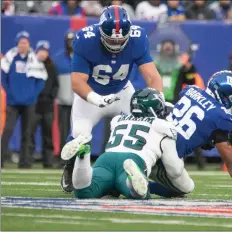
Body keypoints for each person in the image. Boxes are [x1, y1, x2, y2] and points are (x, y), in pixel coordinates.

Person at [60, 5, 164, 193]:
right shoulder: (85, 39)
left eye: (120, 40)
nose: (116, 45)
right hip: (90, 94)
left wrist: (159, 100)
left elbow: (152, 77)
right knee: (80, 135)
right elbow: (77, 82)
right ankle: (70, 165)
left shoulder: (138, 37)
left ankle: (151, 169)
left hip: (122, 92)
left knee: (149, 128)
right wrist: (94, 98)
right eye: (110, 40)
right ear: (100, 32)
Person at [149, 70, 232, 201]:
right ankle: (142, 187)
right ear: (223, 95)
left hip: (153, 137)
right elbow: (231, 161)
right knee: (184, 188)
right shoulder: (221, 117)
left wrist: (205, 138)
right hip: (166, 156)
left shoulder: (191, 90)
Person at [61, 88, 194, 199]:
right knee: (140, 194)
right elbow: (175, 170)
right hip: (134, 160)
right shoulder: (163, 126)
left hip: (106, 159)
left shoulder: (118, 120)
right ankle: (132, 181)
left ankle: (83, 154)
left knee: (84, 192)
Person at [1, 31, 47, 168]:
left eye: (25, 42)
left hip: (29, 103)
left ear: (29, 44)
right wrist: (10, 93)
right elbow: (4, 78)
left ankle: (25, 162)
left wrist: (33, 95)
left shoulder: (34, 59)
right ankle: (1, 160)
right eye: (21, 42)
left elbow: (41, 80)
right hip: (13, 102)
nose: (23, 45)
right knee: (7, 130)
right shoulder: (10, 57)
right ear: (17, 43)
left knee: (27, 133)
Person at [30, 41, 59, 168]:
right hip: (34, 105)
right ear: (37, 51)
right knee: (30, 132)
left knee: (47, 134)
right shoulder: (31, 65)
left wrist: (51, 96)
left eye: (45, 51)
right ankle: (27, 159)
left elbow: (56, 85)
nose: (43, 54)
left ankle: (47, 161)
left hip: (47, 106)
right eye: (41, 51)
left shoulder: (52, 67)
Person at [55, 30, 75, 166]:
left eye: (73, 41)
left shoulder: (82, 58)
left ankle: (76, 157)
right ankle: (63, 157)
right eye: (68, 41)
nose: (70, 43)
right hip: (63, 100)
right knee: (63, 130)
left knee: (78, 130)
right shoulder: (59, 58)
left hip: (79, 101)